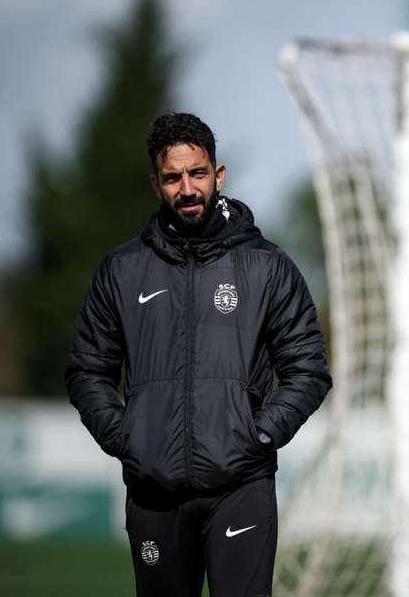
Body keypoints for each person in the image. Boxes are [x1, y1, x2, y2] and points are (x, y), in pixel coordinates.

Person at [65, 112, 332, 596]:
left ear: (218, 174)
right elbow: (87, 370)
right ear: (156, 184)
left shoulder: (267, 267)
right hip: (153, 494)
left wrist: (260, 433)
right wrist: (129, 437)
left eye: (198, 173)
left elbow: (308, 369)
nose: (187, 188)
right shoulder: (122, 271)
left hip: (241, 487)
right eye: (173, 177)